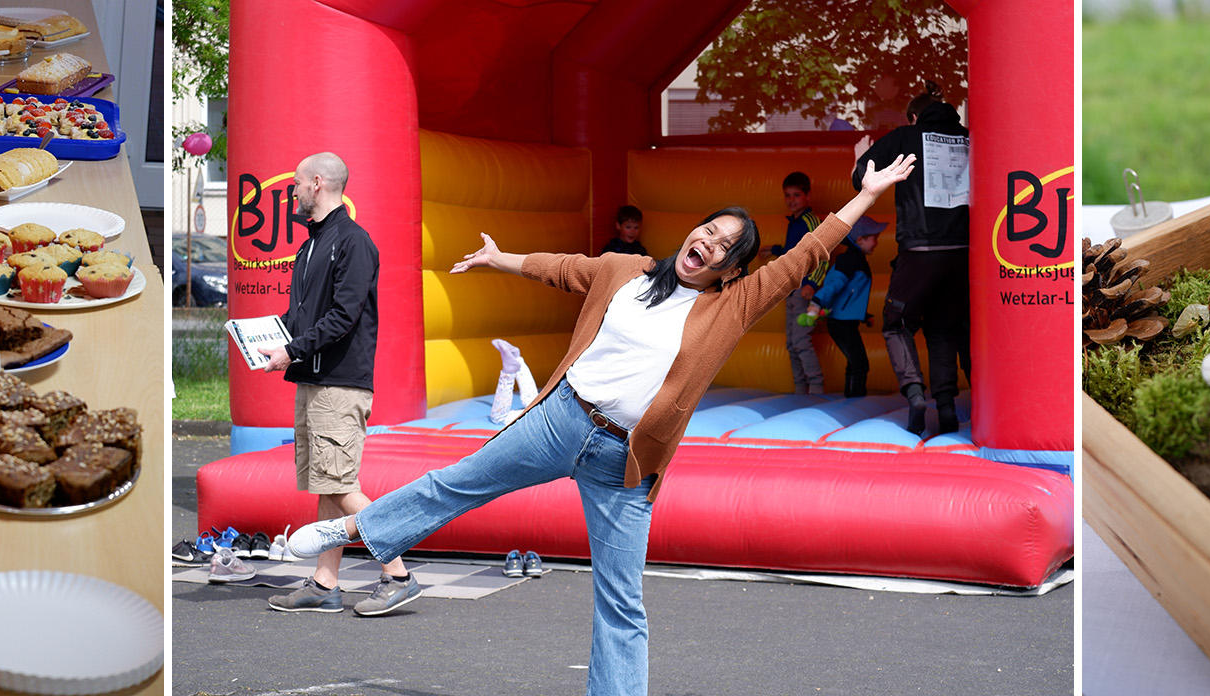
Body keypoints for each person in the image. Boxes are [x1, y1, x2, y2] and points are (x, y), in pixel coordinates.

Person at [283, 153, 919, 696]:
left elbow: (806, 253)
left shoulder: (731, 306)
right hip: (563, 419)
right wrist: (501, 259)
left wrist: (866, 194)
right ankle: (352, 527)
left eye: (728, 248)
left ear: (731, 269)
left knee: (622, 601)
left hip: (625, 463)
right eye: (711, 231)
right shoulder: (626, 271)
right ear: (692, 231)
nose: (713, 245)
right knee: (455, 483)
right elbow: (563, 268)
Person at [256, 151, 420, 618]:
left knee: (341, 484)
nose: (292, 191)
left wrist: (290, 350)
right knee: (329, 485)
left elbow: (345, 317)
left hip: (340, 382)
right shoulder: (311, 245)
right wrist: (263, 339)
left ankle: (398, 574)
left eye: (297, 183)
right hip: (314, 378)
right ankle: (325, 583)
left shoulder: (353, 242)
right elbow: (299, 318)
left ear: (319, 183)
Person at [852, 80, 969, 439]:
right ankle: (946, 405)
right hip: (964, 253)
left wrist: (859, 156)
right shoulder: (969, 138)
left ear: (915, 116)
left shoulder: (907, 136)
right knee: (944, 327)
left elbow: (863, 177)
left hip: (920, 251)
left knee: (896, 323)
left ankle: (916, 395)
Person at [804, 216, 885, 399]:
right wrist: (817, 301)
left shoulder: (856, 259)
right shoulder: (849, 260)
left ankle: (852, 399)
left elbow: (851, 293)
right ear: (860, 240)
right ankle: (855, 402)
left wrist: (863, 315)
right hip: (841, 324)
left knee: (855, 362)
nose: (877, 242)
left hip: (846, 321)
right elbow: (834, 285)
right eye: (874, 238)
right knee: (860, 364)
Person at [768, 172, 829, 394]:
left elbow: (823, 254)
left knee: (801, 341)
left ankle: (816, 388)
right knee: (792, 344)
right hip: (792, 290)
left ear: (808, 196)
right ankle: (800, 390)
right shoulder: (793, 223)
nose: (791, 200)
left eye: (796, 195)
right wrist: (775, 250)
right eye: (787, 195)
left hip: (805, 292)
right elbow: (794, 253)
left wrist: (812, 284)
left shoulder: (810, 221)